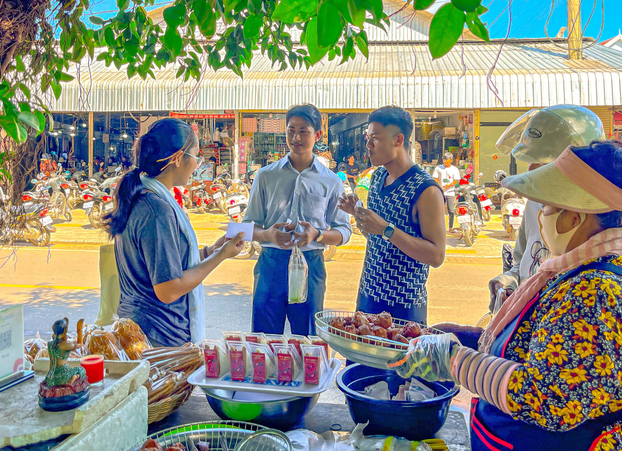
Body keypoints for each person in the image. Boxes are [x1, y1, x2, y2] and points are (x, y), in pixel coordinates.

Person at [394, 141, 622, 451]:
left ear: (575, 217)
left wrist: (454, 360)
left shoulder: (598, 293)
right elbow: (550, 349)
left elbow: (550, 398)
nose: (541, 217)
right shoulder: (581, 273)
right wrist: (469, 338)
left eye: (549, 208)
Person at [486, 105, 622, 319]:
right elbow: (523, 265)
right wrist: (509, 281)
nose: (532, 170)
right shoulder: (534, 205)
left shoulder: (617, 219)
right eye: (531, 161)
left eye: (544, 164)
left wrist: (609, 322)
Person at [104, 118, 245, 346]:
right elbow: (168, 289)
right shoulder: (157, 210)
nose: (198, 164)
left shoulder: (147, 195)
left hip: (146, 331)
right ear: (178, 158)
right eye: (196, 156)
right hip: (158, 337)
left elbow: (167, 263)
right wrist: (222, 256)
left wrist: (211, 251)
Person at [244, 104, 352, 335]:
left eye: (304, 131)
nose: (296, 137)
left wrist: (318, 235)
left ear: (318, 135)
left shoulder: (330, 181)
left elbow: (344, 231)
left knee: (308, 340)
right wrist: (267, 235)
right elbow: (246, 227)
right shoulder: (266, 176)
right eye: (291, 130)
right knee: (264, 340)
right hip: (271, 264)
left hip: (311, 264)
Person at [339, 106, 446, 324]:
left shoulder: (426, 190)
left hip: (404, 309)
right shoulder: (378, 177)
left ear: (398, 140)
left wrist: (386, 229)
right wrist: (359, 217)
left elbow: (436, 256)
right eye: (368, 138)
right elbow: (377, 237)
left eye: (375, 139)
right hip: (368, 298)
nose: (368, 146)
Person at [432, 152, 461, 232]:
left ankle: (451, 227)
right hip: (440, 192)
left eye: (446, 159)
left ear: (451, 160)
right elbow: (435, 178)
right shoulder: (439, 168)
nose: (445, 161)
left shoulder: (454, 169)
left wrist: (448, 186)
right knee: (439, 210)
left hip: (450, 192)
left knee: (451, 210)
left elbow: (456, 181)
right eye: (444, 159)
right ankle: (439, 227)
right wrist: (440, 186)